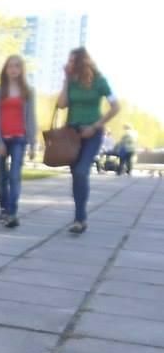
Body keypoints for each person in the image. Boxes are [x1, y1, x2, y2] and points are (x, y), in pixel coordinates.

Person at [56, 46, 120, 234]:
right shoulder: (71, 82)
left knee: (82, 171)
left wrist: (95, 126)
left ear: (82, 62)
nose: (68, 64)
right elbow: (61, 104)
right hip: (72, 134)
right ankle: (79, 216)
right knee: (76, 175)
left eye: (72, 60)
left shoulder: (100, 81)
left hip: (93, 133)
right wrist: (66, 80)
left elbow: (116, 106)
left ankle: (80, 218)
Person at [0, 54, 36, 228]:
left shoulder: (28, 91)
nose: (14, 69)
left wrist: (32, 143)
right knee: (1, 177)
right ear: (5, 69)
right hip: (2, 138)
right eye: (10, 66)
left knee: (15, 176)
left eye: (17, 66)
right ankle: (4, 210)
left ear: (22, 69)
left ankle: (12, 213)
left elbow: (31, 117)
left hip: (19, 139)